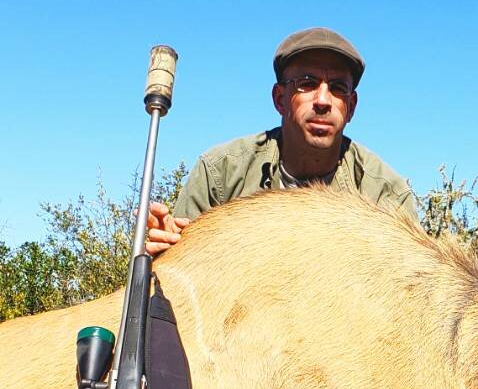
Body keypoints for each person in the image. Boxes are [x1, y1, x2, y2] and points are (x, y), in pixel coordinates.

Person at [147, 27, 417, 254]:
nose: (323, 101)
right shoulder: (221, 172)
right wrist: (165, 247)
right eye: (307, 83)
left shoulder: (387, 195)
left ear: (351, 106)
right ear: (280, 99)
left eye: (337, 88)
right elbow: (181, 280)